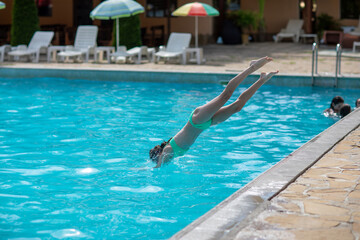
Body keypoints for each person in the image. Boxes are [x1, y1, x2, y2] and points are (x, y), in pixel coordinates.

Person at [149, 57, 278, 168]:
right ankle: (262, 79)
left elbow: (158, 167)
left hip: (197, 120)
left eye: (158, 158)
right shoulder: (173, 153)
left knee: (225, 96)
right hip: (205, 124)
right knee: (237, 107)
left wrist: (140, 171)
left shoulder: (167, 150)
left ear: (159, 154)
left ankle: (252, 67)